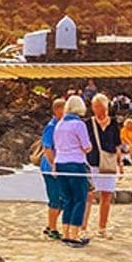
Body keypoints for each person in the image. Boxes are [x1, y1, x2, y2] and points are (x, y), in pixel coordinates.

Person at [51, 94, 94, 245]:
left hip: (60, 163)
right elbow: (87, 146)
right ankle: (75, 234)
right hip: (75, 163)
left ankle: (66, 231)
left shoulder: (59, 124)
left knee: (67, 199)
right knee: (79, 199)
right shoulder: (79, 124)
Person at [32, 95, 65, 239]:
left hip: (57, 165)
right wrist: (53, 165)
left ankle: (51, 224)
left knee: (62, 198)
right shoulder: (51, 127)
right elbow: (48, 148)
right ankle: (52, 227)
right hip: (50, 167)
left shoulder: (59, 125)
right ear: (58, 110)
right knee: (55, 197)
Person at [87, 94, 120, 236]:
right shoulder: (88, 123)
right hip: (92, 162)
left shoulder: (114, 124)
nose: (98, 110)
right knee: (88, 195)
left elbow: (118, 144)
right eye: (95, 107)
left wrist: (120, 164)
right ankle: (82, 227)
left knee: (107, 196)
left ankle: (102, 227)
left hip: (109, 163)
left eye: (100, 107)